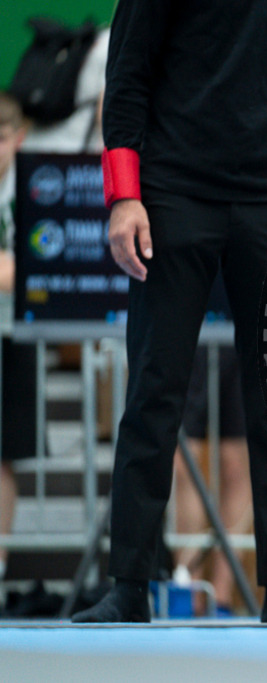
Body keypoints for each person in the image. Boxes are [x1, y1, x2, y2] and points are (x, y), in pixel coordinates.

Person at [72, 0, 267, 623]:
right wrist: (123, 196)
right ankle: (129, 586)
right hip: (173, 192)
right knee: (154, 391)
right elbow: (127, 79)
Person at [172, 342, 251, 617]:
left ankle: (221, 597)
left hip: (246, 333)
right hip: (191, 334)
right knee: (183, 463)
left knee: (236, 466)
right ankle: (188, 588)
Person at [0, 92, 37, 598]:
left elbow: (26, 271)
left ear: (20, 138)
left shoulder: (33, 188)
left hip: (16, 333)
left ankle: (1, 570)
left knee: (4, 456)